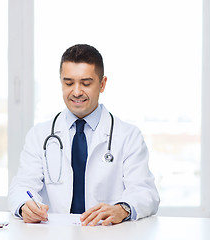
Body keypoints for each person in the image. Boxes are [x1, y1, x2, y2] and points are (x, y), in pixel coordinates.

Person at [8, 44, 159, 226]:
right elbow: (22, 186)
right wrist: (25, 205)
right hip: (55, 234)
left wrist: (122, 209)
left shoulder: (128, 136)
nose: (77, 91)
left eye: (86, 83)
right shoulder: (39, 135)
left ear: (102, 84)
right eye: (69, 83)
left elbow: (145, 192)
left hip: (106, 234)